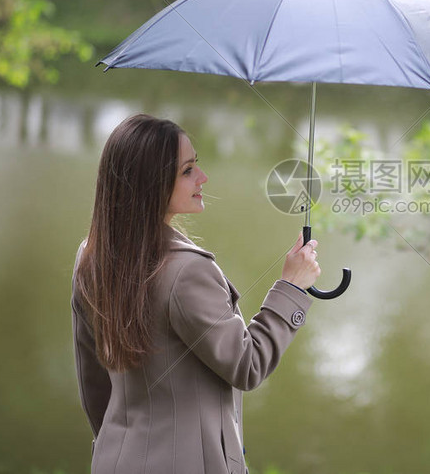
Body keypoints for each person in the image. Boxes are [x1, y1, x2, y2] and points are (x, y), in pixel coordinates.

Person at [71, 113, 321, 474]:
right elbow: (248, 365)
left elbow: (92, 381)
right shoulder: (188, 273)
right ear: (151, 184)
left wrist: (123, 444)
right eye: (187, 171)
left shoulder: (91, 256)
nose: (202, 178)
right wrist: (291, 287)